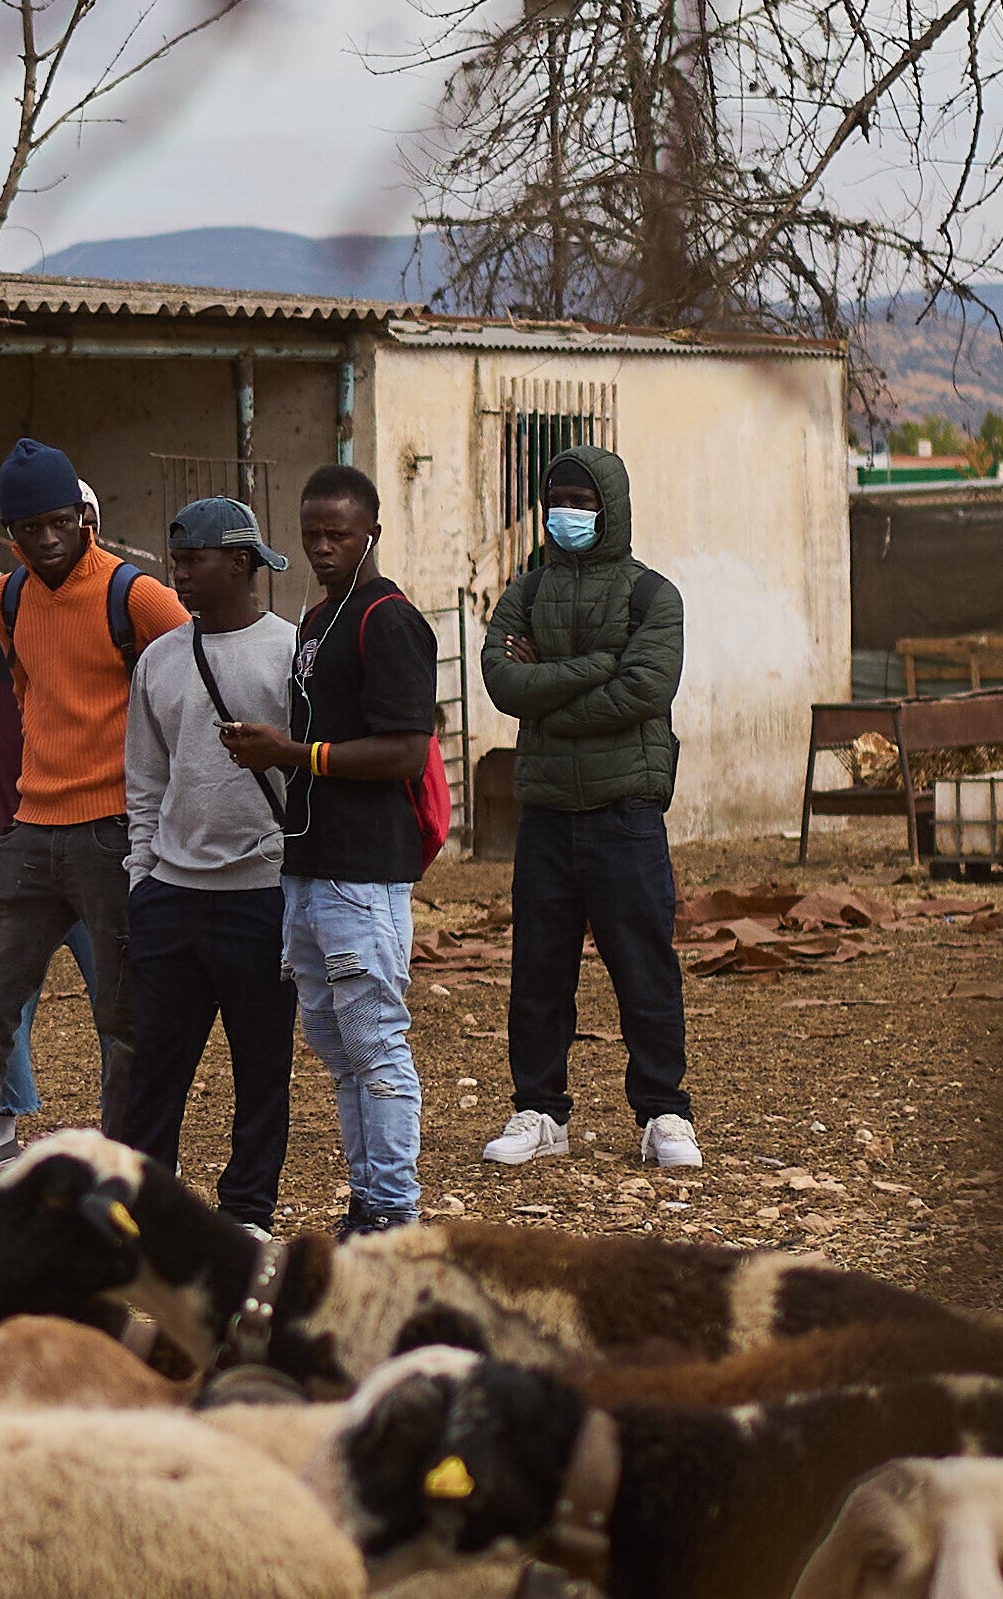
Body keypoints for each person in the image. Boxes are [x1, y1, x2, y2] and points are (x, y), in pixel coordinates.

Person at [0, 440, 180, 1183]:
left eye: (57, 523)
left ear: (84, 517)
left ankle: (123, 1182)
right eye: (27, 529)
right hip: (29, 834)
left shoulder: (133, 595)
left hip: (112, 834)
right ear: (7, 533)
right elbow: (22, 694)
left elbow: (193, 677)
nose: (45, 541)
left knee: (124, 1020)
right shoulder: (3, 601)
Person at [480, 432, 697, 1173]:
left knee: (644, 967)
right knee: (538, 972)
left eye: (582, 502)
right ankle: (540, 1110)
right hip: (545, 819)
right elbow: (503, 682)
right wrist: (595, 669)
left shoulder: (652, 595)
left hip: (624, 814)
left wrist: (550, 697)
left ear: (613, 509)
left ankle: (664, 1113)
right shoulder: (527, 590)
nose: (566, 514)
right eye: (557, 502)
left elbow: (645, 690)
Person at [104, 494, 302, 1229]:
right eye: (177, 561)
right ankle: (147, 1215)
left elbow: (307, 773)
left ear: (242, 563)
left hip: (261, 893)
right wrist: (143, 876)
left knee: (262, 1070)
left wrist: (287, 870)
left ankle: (249, 1210)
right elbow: (146, 777)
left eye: (194, 561)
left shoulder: (289, 651)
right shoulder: (159, 658)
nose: (179, 576)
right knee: (156, 1069)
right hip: (171, 897)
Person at [272, 462, 448, 1232]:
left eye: (337, 534)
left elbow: (408, 750)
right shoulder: (318, 619)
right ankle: (369, 1205)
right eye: (311, 535)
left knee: (376, 1046)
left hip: (363, 873)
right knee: (338, 1051)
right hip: (311, 866)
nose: (321, 548)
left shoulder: (390, 619)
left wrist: (297, 756)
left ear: (371, 531)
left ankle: (395, 1215)